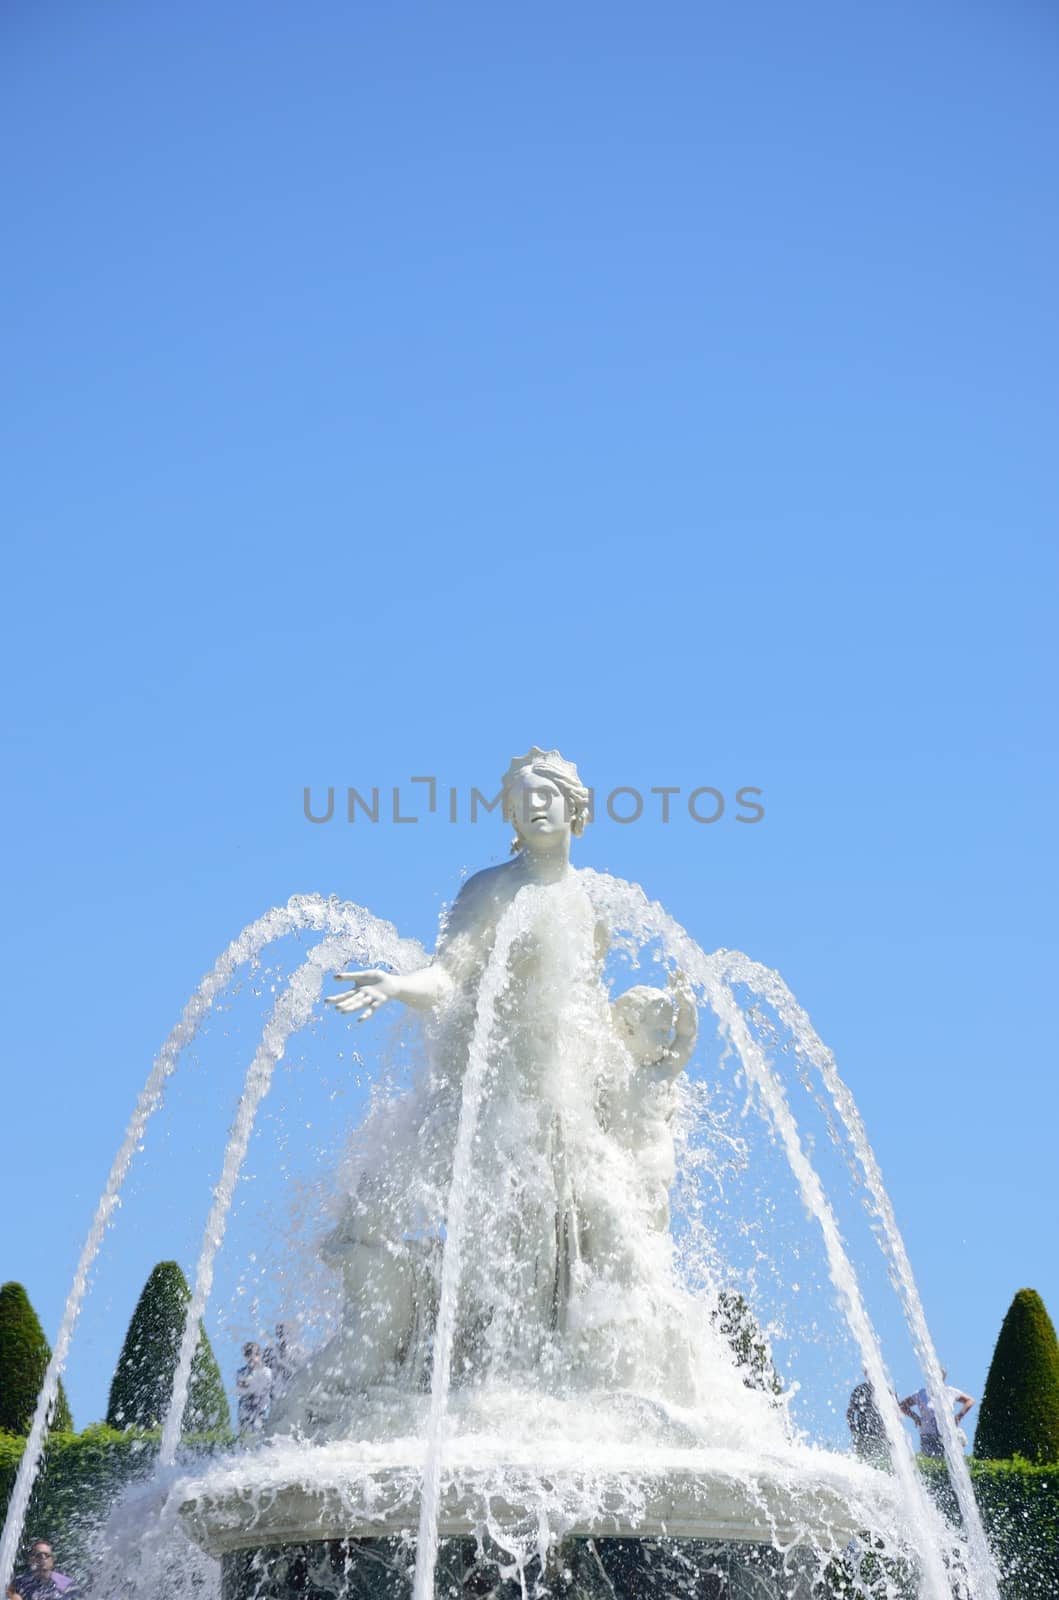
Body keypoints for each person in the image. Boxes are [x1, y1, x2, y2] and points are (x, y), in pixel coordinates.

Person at [899, 1370, 975, 1458]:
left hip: (947, 1435)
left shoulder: (950, 1392)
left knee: (951, 1460)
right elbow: (902, 1405)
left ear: (942, 1379)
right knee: (933, 1460)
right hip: (928, 1436)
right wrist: (914, 1417)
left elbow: (970, 1401)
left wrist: (959, 1416)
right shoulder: (921, 1394)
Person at [6, 1538, 76, 1599]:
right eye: (38, 1555)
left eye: (47, 1555)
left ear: (52, 1560)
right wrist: (14, 1596)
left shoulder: (65, 1583)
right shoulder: (20, 1582)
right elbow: (9, 1592)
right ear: (31, 1560)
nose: (43, 1558)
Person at [847, 1373, 890, 1466]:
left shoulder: (887, 1391)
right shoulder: (859, 1390)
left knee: (884, 1462)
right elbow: (850, 1413)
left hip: (883, 1435)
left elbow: (894, 1413)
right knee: (865, 1462)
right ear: (866, 1374)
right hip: (864, 1434)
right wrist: (855, 1432)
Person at [235, 1341, 273, 1434]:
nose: (252, 1357)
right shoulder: (241, 1373)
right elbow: (242, 1390)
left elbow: (262, 1389)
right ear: (245, 1356)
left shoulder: (266, 1372)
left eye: (255, 1354)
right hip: (246, 1411)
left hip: (263, 1410)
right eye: (248, 1354)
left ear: (260, 1355)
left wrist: (250, 1385)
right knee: (245, 1435)